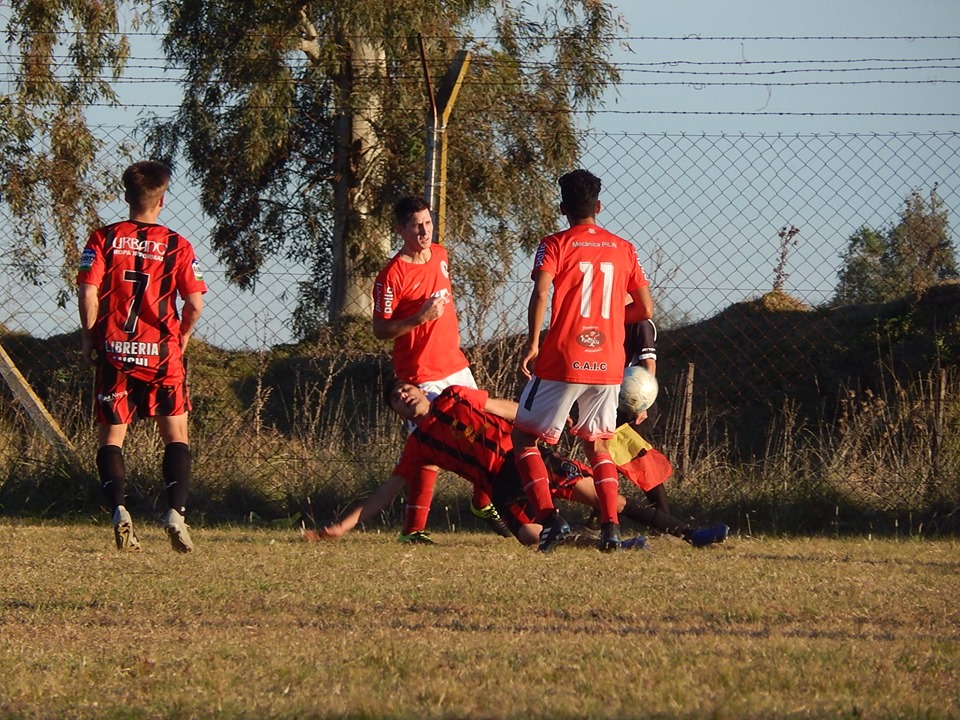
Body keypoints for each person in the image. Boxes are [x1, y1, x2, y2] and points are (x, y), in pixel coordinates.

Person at [316, 380, 728, 549]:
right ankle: (611, 545)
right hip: (500, 485)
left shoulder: (457, 396)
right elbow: (386, 493)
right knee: (532, 536)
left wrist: (546, 425)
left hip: (528, 460)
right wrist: (343, 526)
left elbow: (508, 409)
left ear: (421, 390)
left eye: (407, 389)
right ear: (397, 413)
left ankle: (691, 533)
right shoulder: (418, 445)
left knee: (612, 502)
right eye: (396, 398)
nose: (404, 395)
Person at [512, 169, 654, 553]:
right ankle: (611, 529)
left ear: (563, 208)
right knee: (599, 444)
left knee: (523, 437)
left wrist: (533, 342)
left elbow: (542, 291)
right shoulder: (624, 248)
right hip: (608, 362)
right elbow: (645, 308)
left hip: (564, 357)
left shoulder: (554, 244)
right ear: (599, 206)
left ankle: (549, 518)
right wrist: (610, 317)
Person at [77, 160, 207, 553]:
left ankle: (119, 510)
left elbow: (87, 291)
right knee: (176, 435)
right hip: (162, 352)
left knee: (111, 438)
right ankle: (176, 513)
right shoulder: (178, 245)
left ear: (126, 196)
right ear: (161, 200)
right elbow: (195, 304)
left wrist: (89, 336)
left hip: (115, 350)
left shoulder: (103, 239)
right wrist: (182, 337)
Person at [372, 196, 497, 540]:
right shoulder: (391, 275)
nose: (425, 231)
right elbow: (380, 329)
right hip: (420, 374)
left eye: (428, 222)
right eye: (416, 225)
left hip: (454, 365)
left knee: (486, 433)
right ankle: (413, 530)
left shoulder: (441, 255)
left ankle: (483, 502)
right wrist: (419, 318)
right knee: (429, 450)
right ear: (401, 229)